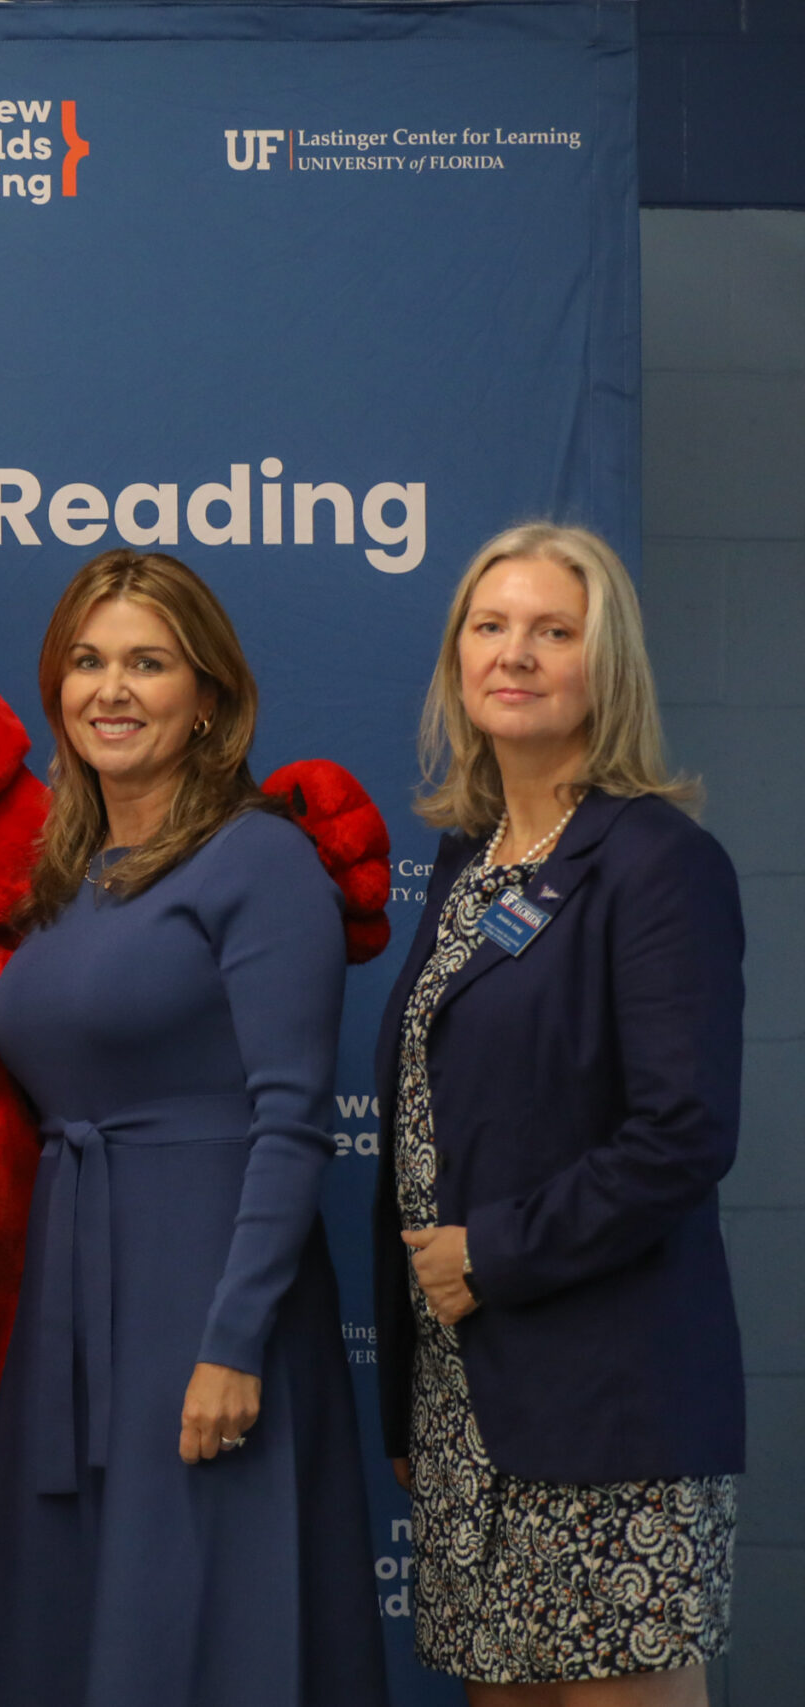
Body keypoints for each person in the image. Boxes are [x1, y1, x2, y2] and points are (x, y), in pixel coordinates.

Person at [0, 550, 386, 1707]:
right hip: (75, 1306)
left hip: (205, 1305)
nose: (112, 689)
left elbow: (292, 1123)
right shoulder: (64, 875)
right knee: (77, 1625)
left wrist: (231, 1342)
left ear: (209, 695)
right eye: (87, 662)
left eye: (147, 663)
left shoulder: (258, 859)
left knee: (199, 1627)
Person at [375, 524, 740, 1705]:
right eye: (489, 627)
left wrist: (494, 1251)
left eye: (551, 630)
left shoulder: (654, 861)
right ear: (455, 661)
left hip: (608, 1403)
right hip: (470, 1397)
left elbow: (681, 1131)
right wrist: (407, 1392)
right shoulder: (466, 862)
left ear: (606, 666)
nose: (514, 654)